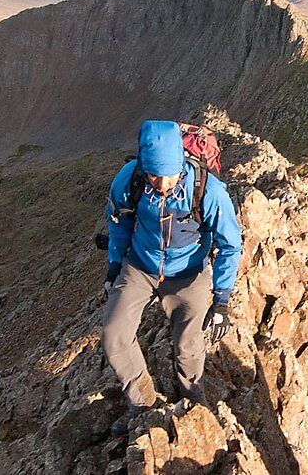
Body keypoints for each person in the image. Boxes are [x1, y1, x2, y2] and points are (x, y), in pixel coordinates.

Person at [101, 120, 242, 436]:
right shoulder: (130, 181)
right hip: (140, 267)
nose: (162, 184)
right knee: (114, 335)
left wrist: (221, 301)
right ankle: (143, 405)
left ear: (181, 164)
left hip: (188, 275)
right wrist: (113, 268)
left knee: (188, 347)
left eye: (169, 176)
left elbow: (230, 244)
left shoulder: (208, 191)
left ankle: (194, 405)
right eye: (154, 176)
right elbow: (119, 224)